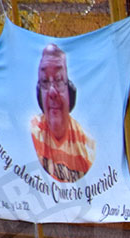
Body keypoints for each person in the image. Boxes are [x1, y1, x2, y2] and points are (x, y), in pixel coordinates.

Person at [30, 43, 96, 183]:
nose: (52, 92)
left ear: (70, 90)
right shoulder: (29, 135)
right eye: (45, 82)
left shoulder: (89, 148)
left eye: (59, 80)